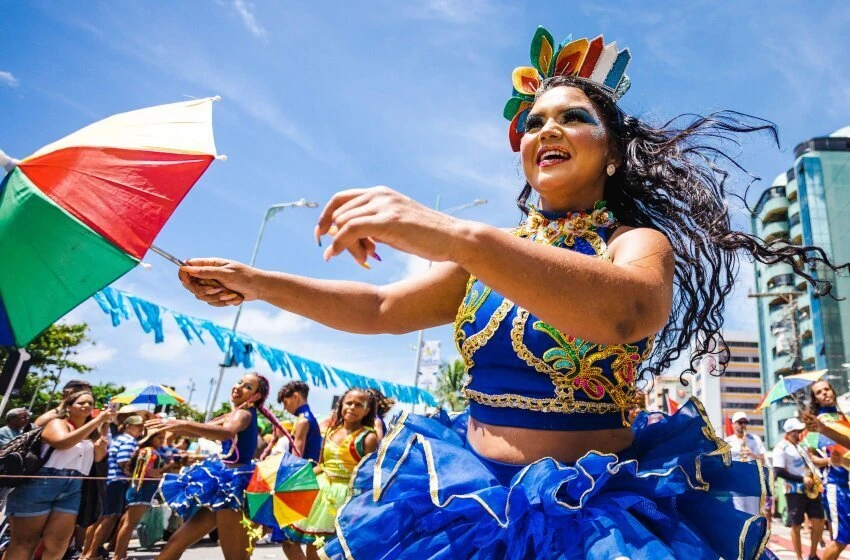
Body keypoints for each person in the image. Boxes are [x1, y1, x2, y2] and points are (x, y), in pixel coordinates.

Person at [175, 25, 850, 559]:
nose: (546, 129)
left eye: (571, 117)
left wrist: (453, 235)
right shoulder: (490, 253)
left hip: (592, 522)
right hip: (464, 504)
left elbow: (625, 311)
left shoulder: (631, 244)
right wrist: (256, 283)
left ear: (612, 153)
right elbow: (379, 309)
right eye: (534, 122)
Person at [145, 373, 289, 560]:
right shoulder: (235, 414)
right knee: (176, 543)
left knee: (234, 557)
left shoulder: (242, 414)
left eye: (248, 387)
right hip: (222, 488)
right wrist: (168, 425)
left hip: (232, 489)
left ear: (257, 396)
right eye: (239, 382)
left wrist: (182, 422)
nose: (238, 387)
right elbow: (203, 429)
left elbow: (225, 433)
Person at [5, 391, 111, 560]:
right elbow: (63, 443)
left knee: (58, 544)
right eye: (81, 402)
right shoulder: (57, 423)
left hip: (74, 486)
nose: (86, 406)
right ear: (68, 407)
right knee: (25, 542)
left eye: (90, 403)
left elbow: (97, 461)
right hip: (43, 482)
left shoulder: (92, 432)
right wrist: (98, 421)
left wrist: (100, 449)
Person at [281, 389, 378, 560]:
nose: (352, 408)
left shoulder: (368, 438)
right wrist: (296, 480)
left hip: (346, 499)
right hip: (320, 493)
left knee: (329, 552)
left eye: (359, 405)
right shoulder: (330, 432)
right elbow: (322, 465)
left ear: (367, 410)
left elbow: (370, 477)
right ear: (341, 404)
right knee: (304, 547)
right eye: (349, 403)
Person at [80, 415, 145, 560]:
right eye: (137, 426)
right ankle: (91, 553)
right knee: (108, 517)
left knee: (105, 517)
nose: (140, 429)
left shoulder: (120, 439)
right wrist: (133, 477)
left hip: (112, 480)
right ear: (127, 426)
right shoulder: (128, 441)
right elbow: (124, 463)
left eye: (141, 426)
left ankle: (89, 552)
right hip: (117, 480)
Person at [804, 380, 850, 560]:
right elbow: (812, 458)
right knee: (841, 539)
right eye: (819, 392)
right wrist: (830, 460)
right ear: (815, 399)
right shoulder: (817, 423)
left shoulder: (843, 418)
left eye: (826, 389)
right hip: (836, 486)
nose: (824, 393)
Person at [112, 429, 168, 560]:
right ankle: (118, 555)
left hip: (140, 489)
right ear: (150, 438)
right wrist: (163, 473)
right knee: (130, 524)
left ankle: (119, 552)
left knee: (126, 522)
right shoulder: (149, 452)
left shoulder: (148, 451)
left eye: (163, 437)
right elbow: (147, 472)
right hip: (142, 490)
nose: (161, 440)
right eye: (159, 437)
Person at [775, 417, 825, 560]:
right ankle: (799, 557)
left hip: (811, 489)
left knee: (819, 520)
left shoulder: (801, 446)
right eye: (798, 431)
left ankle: (813, 554)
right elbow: (778, 471)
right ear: (790, 432)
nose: (801, 433)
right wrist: (802, 479)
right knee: (796, 525)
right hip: (794, 491)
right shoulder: (781, 447)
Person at [725, 411, 768, 516]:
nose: (743, 425)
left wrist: (752, 455)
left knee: (753, 514)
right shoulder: (727, 441)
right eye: (740, 422)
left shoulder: (755, 439)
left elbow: (763, 461)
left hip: (752, 481)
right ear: (733, 424)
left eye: (745, 422)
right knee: (739, 513)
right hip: (736, 482)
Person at [278, 381, 322, 462]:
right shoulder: (308, 417)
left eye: (285, 402)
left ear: (295, 396)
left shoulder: (302, 421)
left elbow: (296, 456)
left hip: (303, 471)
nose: (284, 408)